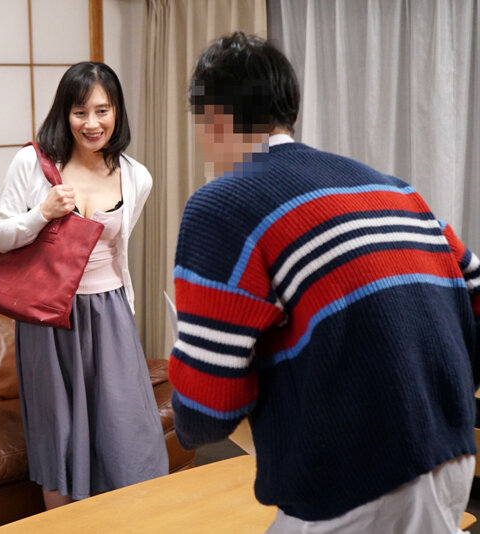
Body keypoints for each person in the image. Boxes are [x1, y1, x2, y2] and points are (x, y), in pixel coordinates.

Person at [170, 31, 480, 533]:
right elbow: (475, 295)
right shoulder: (395, 191)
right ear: (289, 110)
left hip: (357, 477)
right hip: (452, 457)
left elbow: (206, 408)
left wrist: (190, 414)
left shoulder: (222, 204)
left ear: (214, 119)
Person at [0, 61, 169, 509]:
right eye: (79, 112)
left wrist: (126, 313)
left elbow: (119, 251)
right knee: (59, 434)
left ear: (117, 112)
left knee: (128, 430)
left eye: (102, 111)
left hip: (109, 312)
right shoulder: (32, 163)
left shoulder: (137, 176)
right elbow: (0, 235)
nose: (92, 123)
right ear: (64, 113)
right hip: (49, 318)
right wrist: (41, 213)